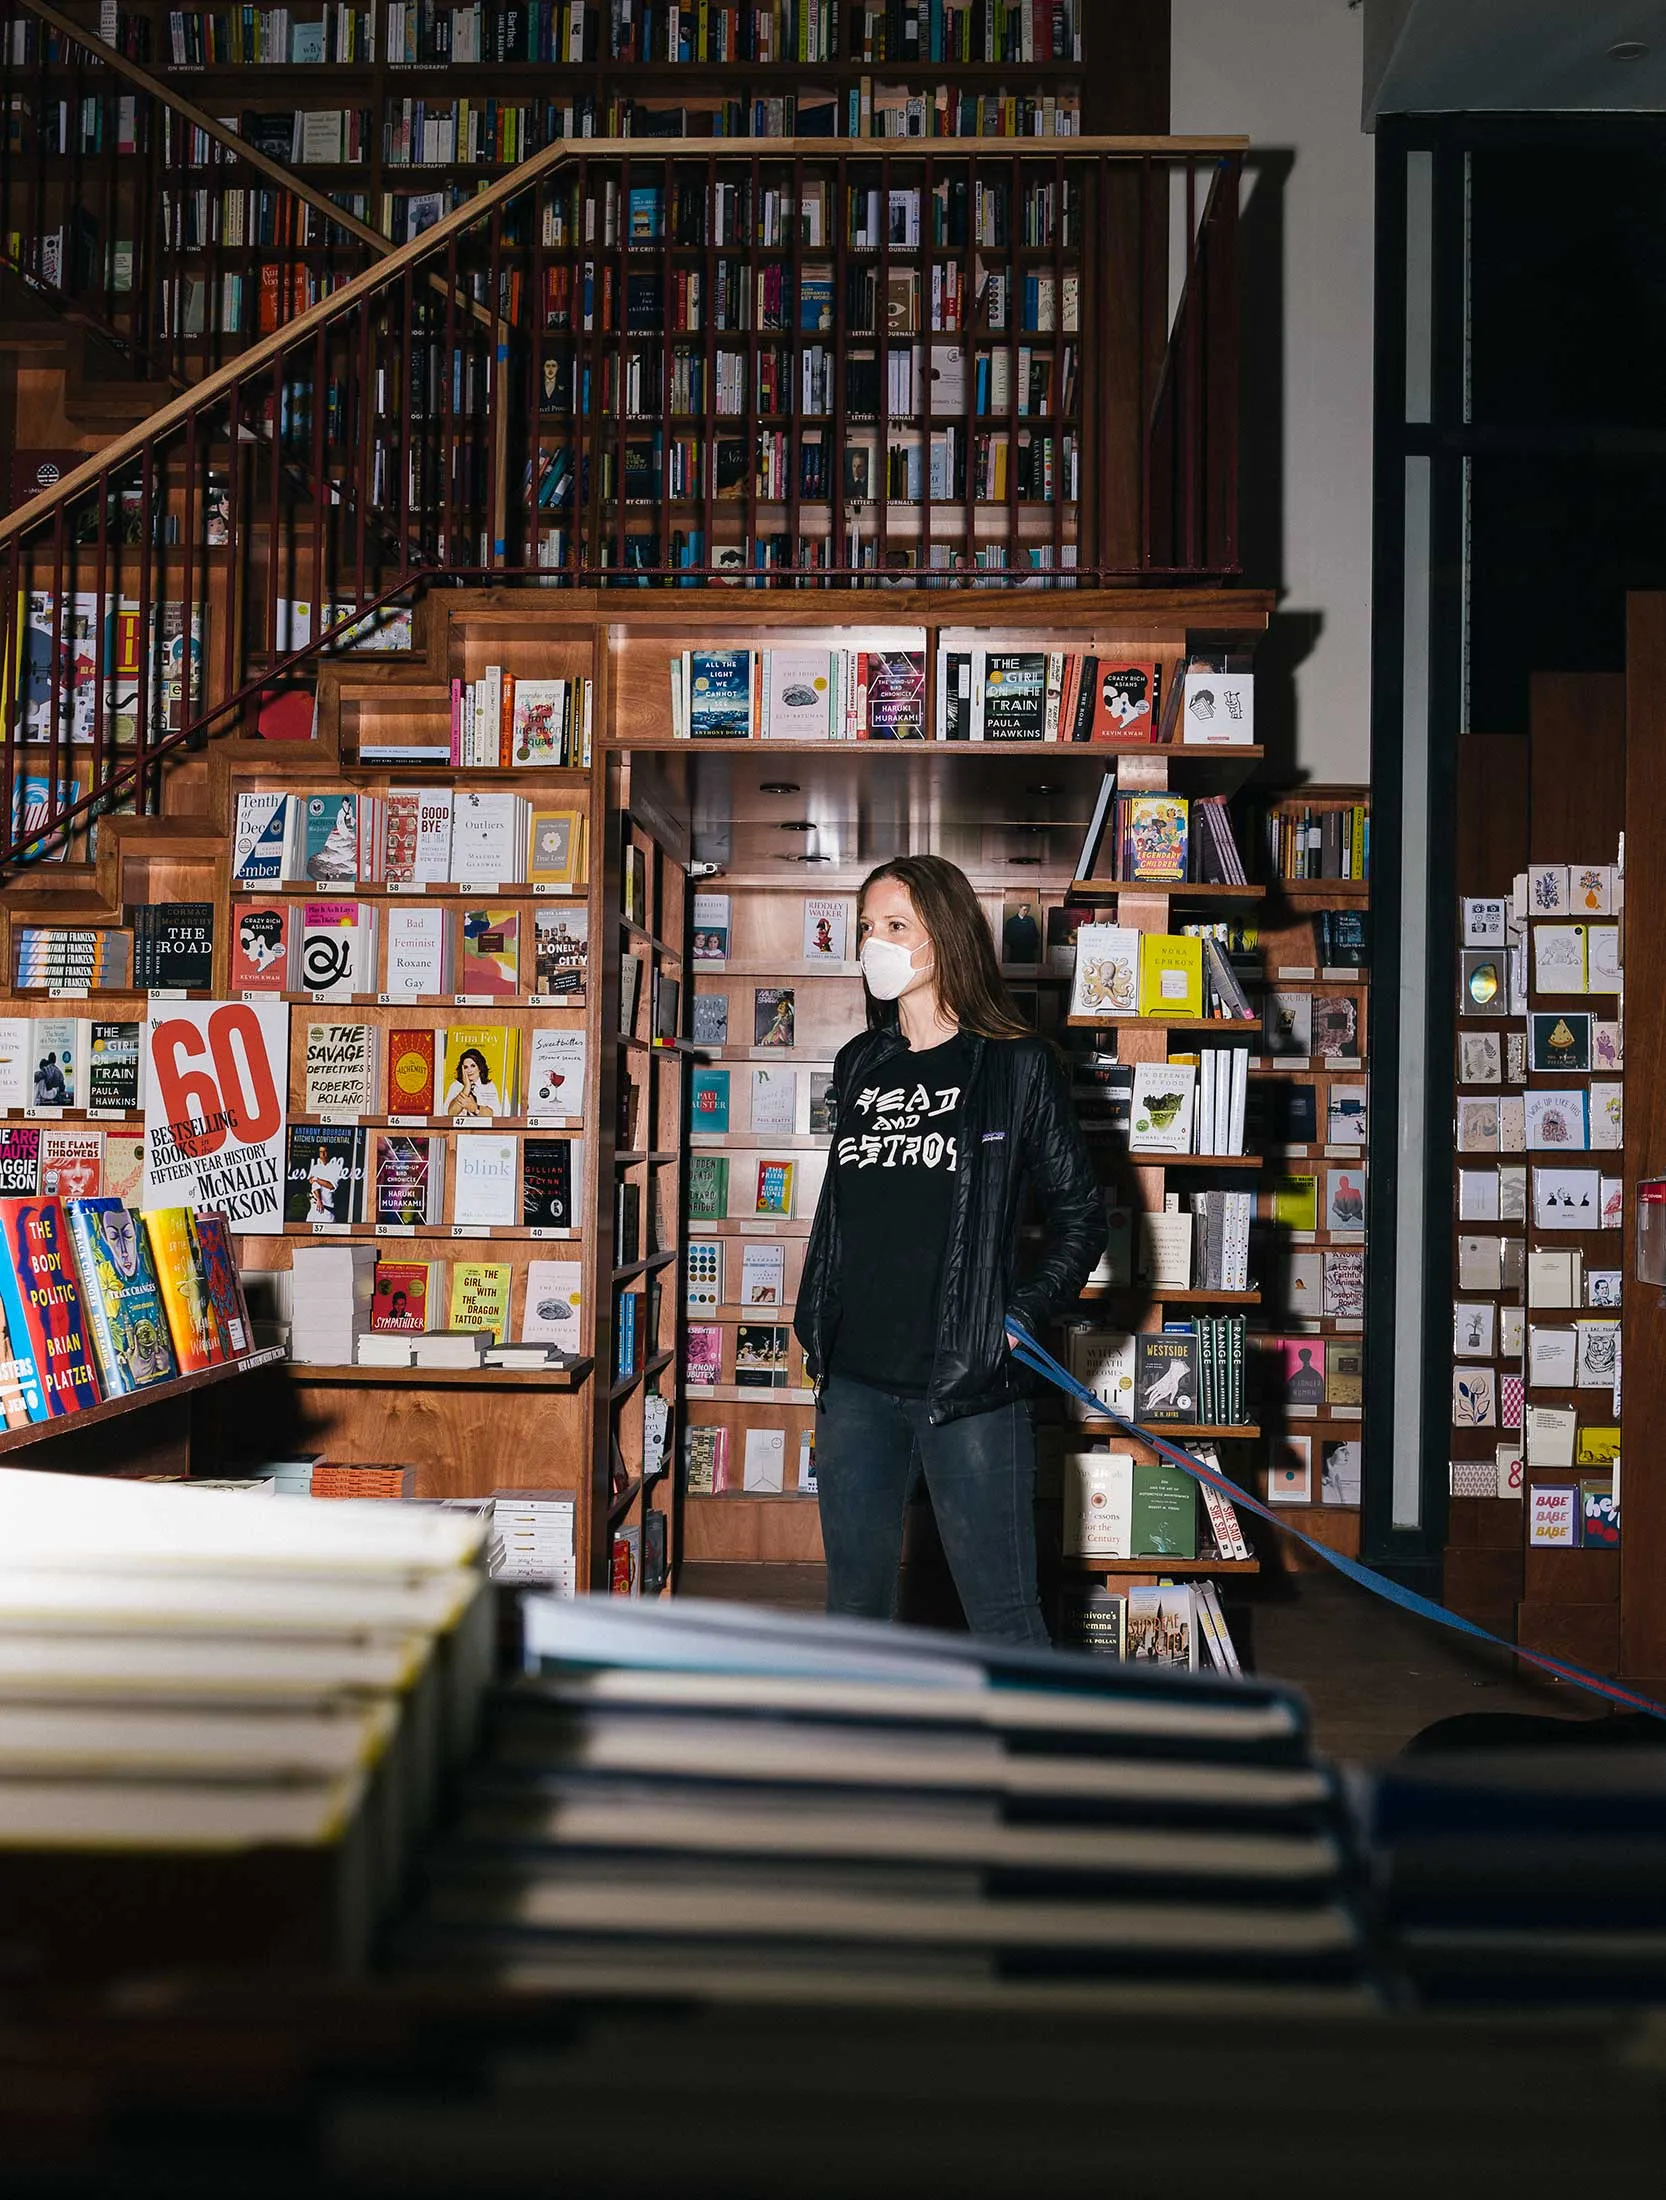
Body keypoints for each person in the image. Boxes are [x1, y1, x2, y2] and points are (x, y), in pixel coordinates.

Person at [794, 855, 1107, 1645]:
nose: (875, 944)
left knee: (1004, 1616)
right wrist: (817, 1323)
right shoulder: (861, 1064)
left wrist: (1018, 1319)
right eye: (867, 928)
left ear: (946, 939)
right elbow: (847, 1212)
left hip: (966, 1384)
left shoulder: (1017, 1066)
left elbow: (1082, 1217)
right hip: (855, 1382)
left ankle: (1028, 1766)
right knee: (853, 1614)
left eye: (896, 926)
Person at [444, 1046, 502, 1119]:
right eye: (466, 1067)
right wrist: (466, 1088)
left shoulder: (489, 1086)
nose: (469, 1070)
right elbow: (449, 1113)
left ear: (480, 1068)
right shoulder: (455, 1086)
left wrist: (475, 1108)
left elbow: (495, 1114)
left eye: (473, 1066)